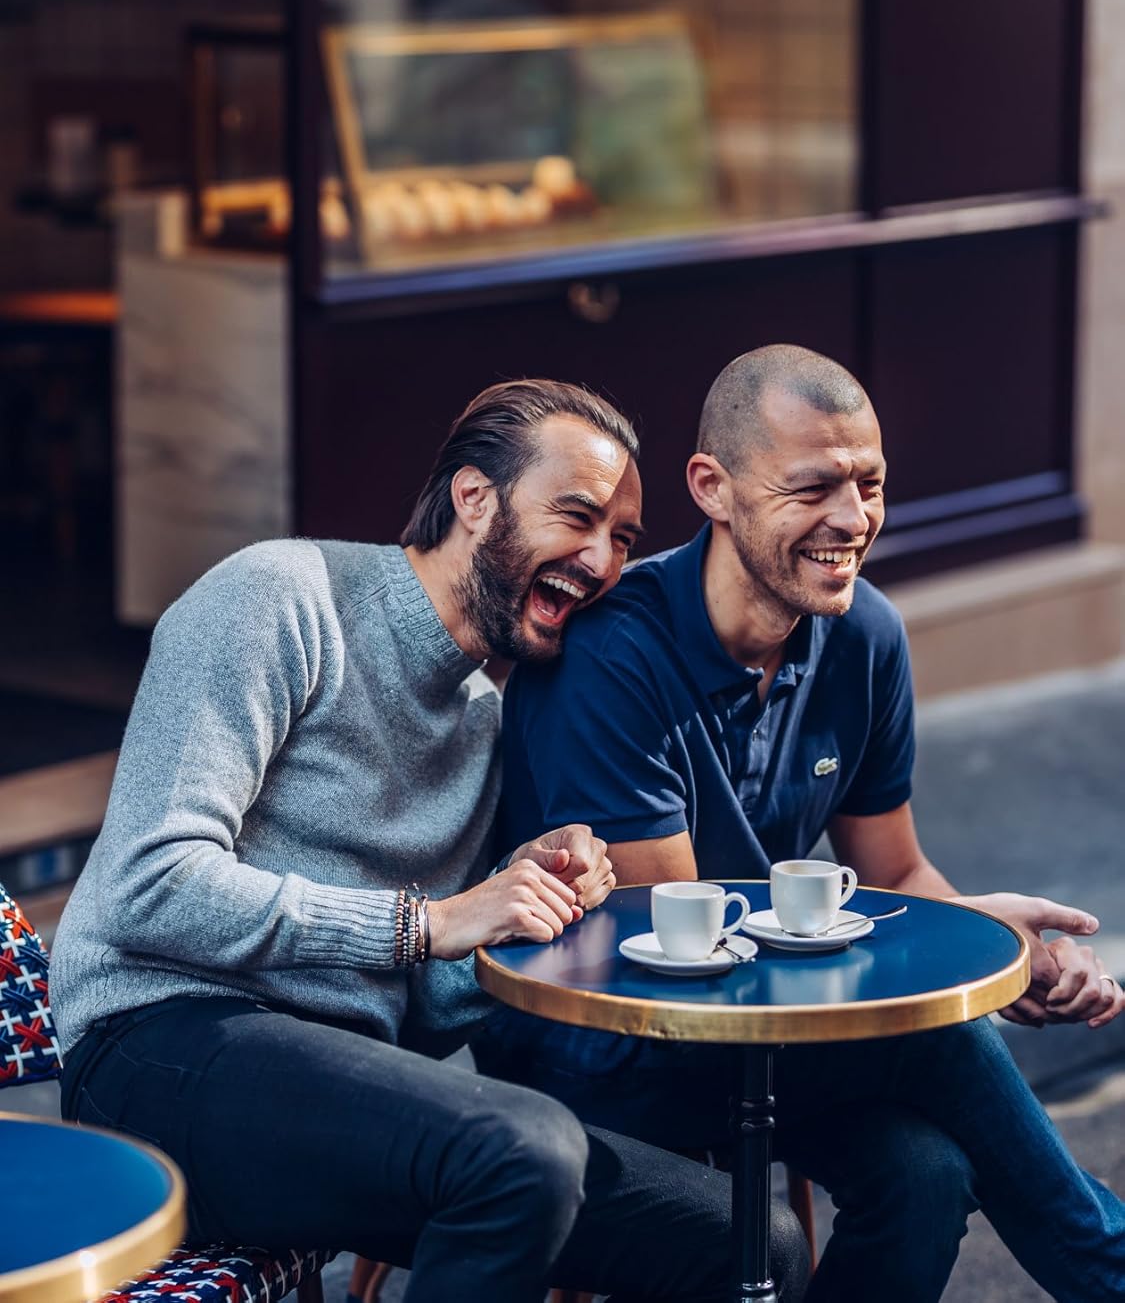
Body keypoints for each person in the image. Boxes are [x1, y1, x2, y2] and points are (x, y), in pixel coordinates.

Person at [50, 377, 809, 1303]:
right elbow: (148, 883)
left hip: (342, 1091)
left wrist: (516, 904)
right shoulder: (279, 597)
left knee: (749, 1244)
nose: (602, 562)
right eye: (576, 516)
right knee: (524, 1151)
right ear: (474, 497)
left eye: (622, 540)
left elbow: (419, 1011)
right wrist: (429, 922)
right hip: (158, 1052)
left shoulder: (485, 720)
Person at [479, 346, 1125, 1302]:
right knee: (937, 1037)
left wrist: (987, 942)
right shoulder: (612, 656)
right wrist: (943, 967)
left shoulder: (863, 634)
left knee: (926, 1176)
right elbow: (676, 941)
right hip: (605, 1039)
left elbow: (896, 874)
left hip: (777, 1035)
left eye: (869, 483)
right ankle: (1103, 1266)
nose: (853, 520)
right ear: (713, 487)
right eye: (813, 487)